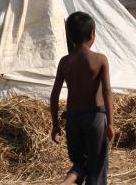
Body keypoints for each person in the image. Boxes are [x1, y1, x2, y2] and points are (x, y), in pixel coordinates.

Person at [50, 12, 114, 185]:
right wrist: (110, 123)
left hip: (72, 118)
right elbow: (107, 91)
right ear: (93, 33)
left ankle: (66, 182)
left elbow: (55, 94)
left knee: (79, 163)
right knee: (97, 167)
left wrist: (55, 123)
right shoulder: (100, 60)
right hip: (95, 118)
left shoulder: (65, 62)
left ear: (69, 35)